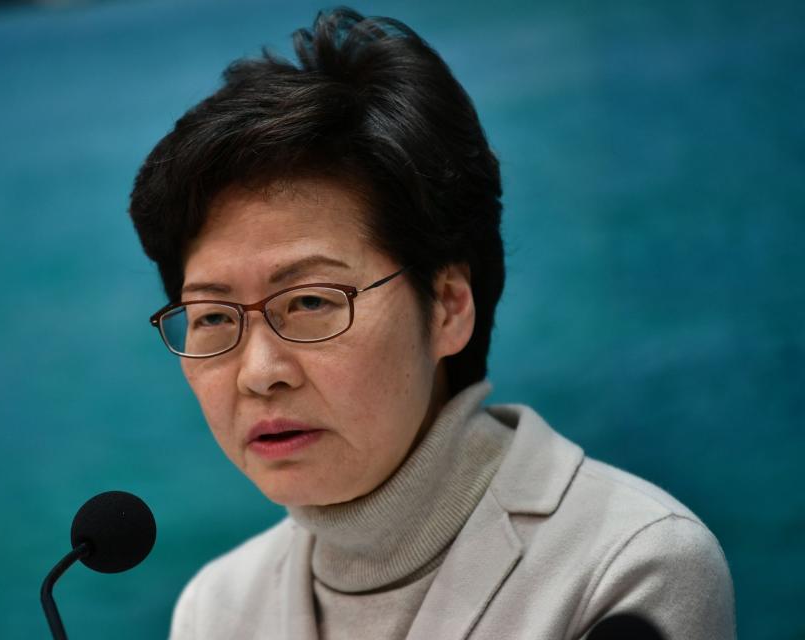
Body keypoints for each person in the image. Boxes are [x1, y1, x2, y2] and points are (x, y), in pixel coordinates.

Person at [128, 7, 735, 639]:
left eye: (309, 302)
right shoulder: (216, 610)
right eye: (214, 317)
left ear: (448, 306)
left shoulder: (628, 567)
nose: (259, 374)